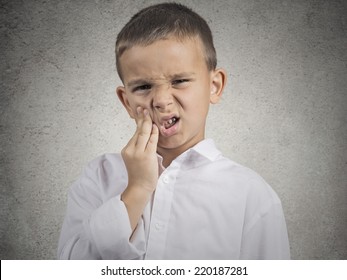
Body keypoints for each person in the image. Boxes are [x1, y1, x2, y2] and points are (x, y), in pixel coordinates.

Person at [57, 2, 290, 260]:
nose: (161, 100)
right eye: (143, 86)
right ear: (127, 102)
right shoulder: (98, 177)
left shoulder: (252, 194)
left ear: (214, 86)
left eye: (179, 81)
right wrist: (137, 189)